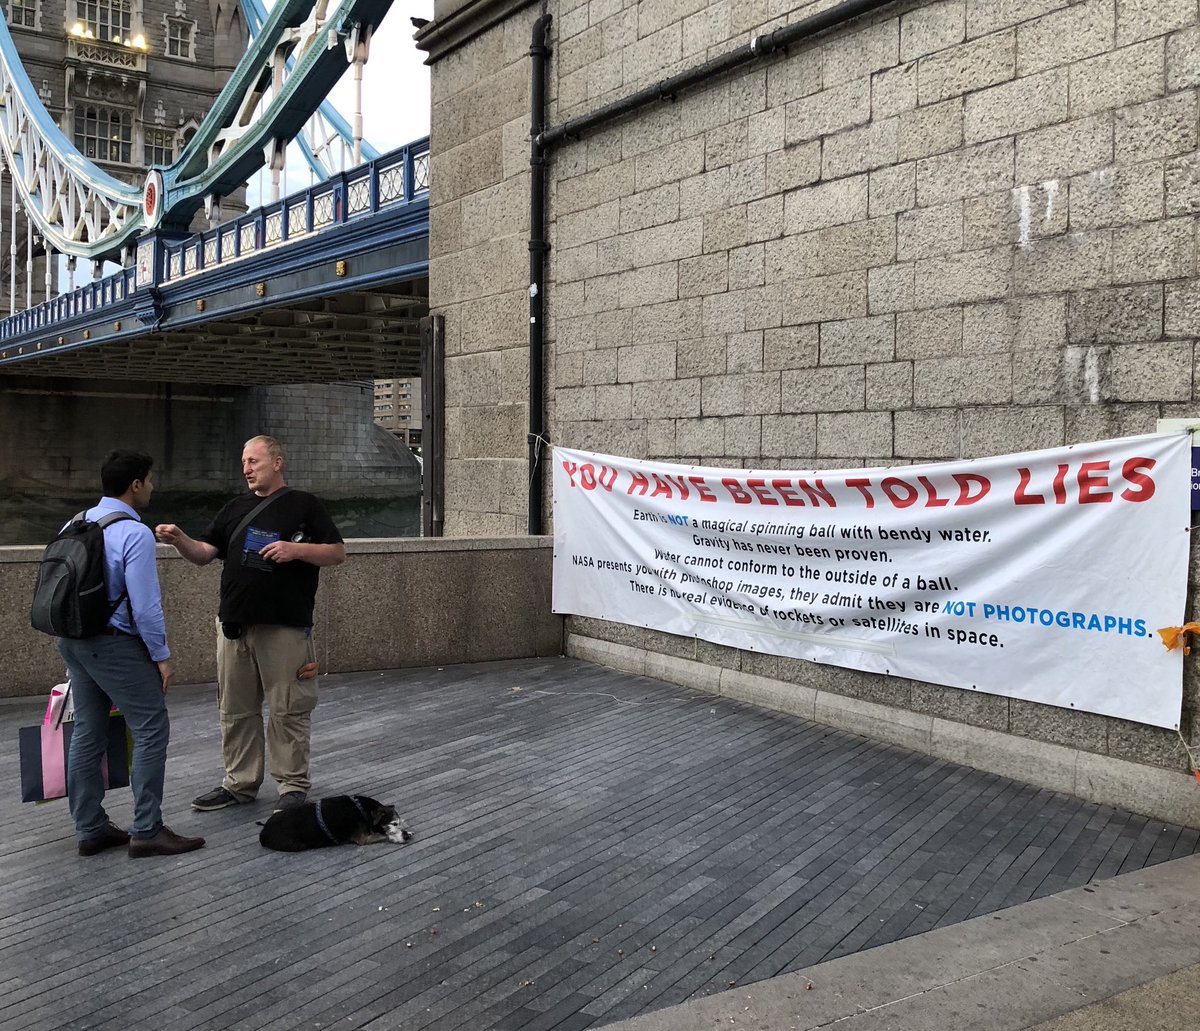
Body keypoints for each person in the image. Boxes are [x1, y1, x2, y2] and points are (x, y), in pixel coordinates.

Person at [155, 435, 345, 812]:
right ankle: (239, 784)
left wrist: (295, 550)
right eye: (243, 462)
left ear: (277, 463)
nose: (246, 468)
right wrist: (179, 540)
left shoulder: (304, 504)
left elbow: (337, 552)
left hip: (285, 627)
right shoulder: (234, 508)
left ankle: (292, 786)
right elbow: (204, 554)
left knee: (288, 709)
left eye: (253, 461)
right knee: (235, 711)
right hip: (234, 627)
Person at [58, 450, 206, 858]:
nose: (152, 487)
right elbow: (145, 607)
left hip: (74, 640)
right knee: (151, 727)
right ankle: (147, 829)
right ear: (135, 484)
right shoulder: (134, 532)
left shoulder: (75, 522)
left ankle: (90, 829)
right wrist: (162, 656)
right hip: (114, 644)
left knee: (88, 731)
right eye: (150, 480)